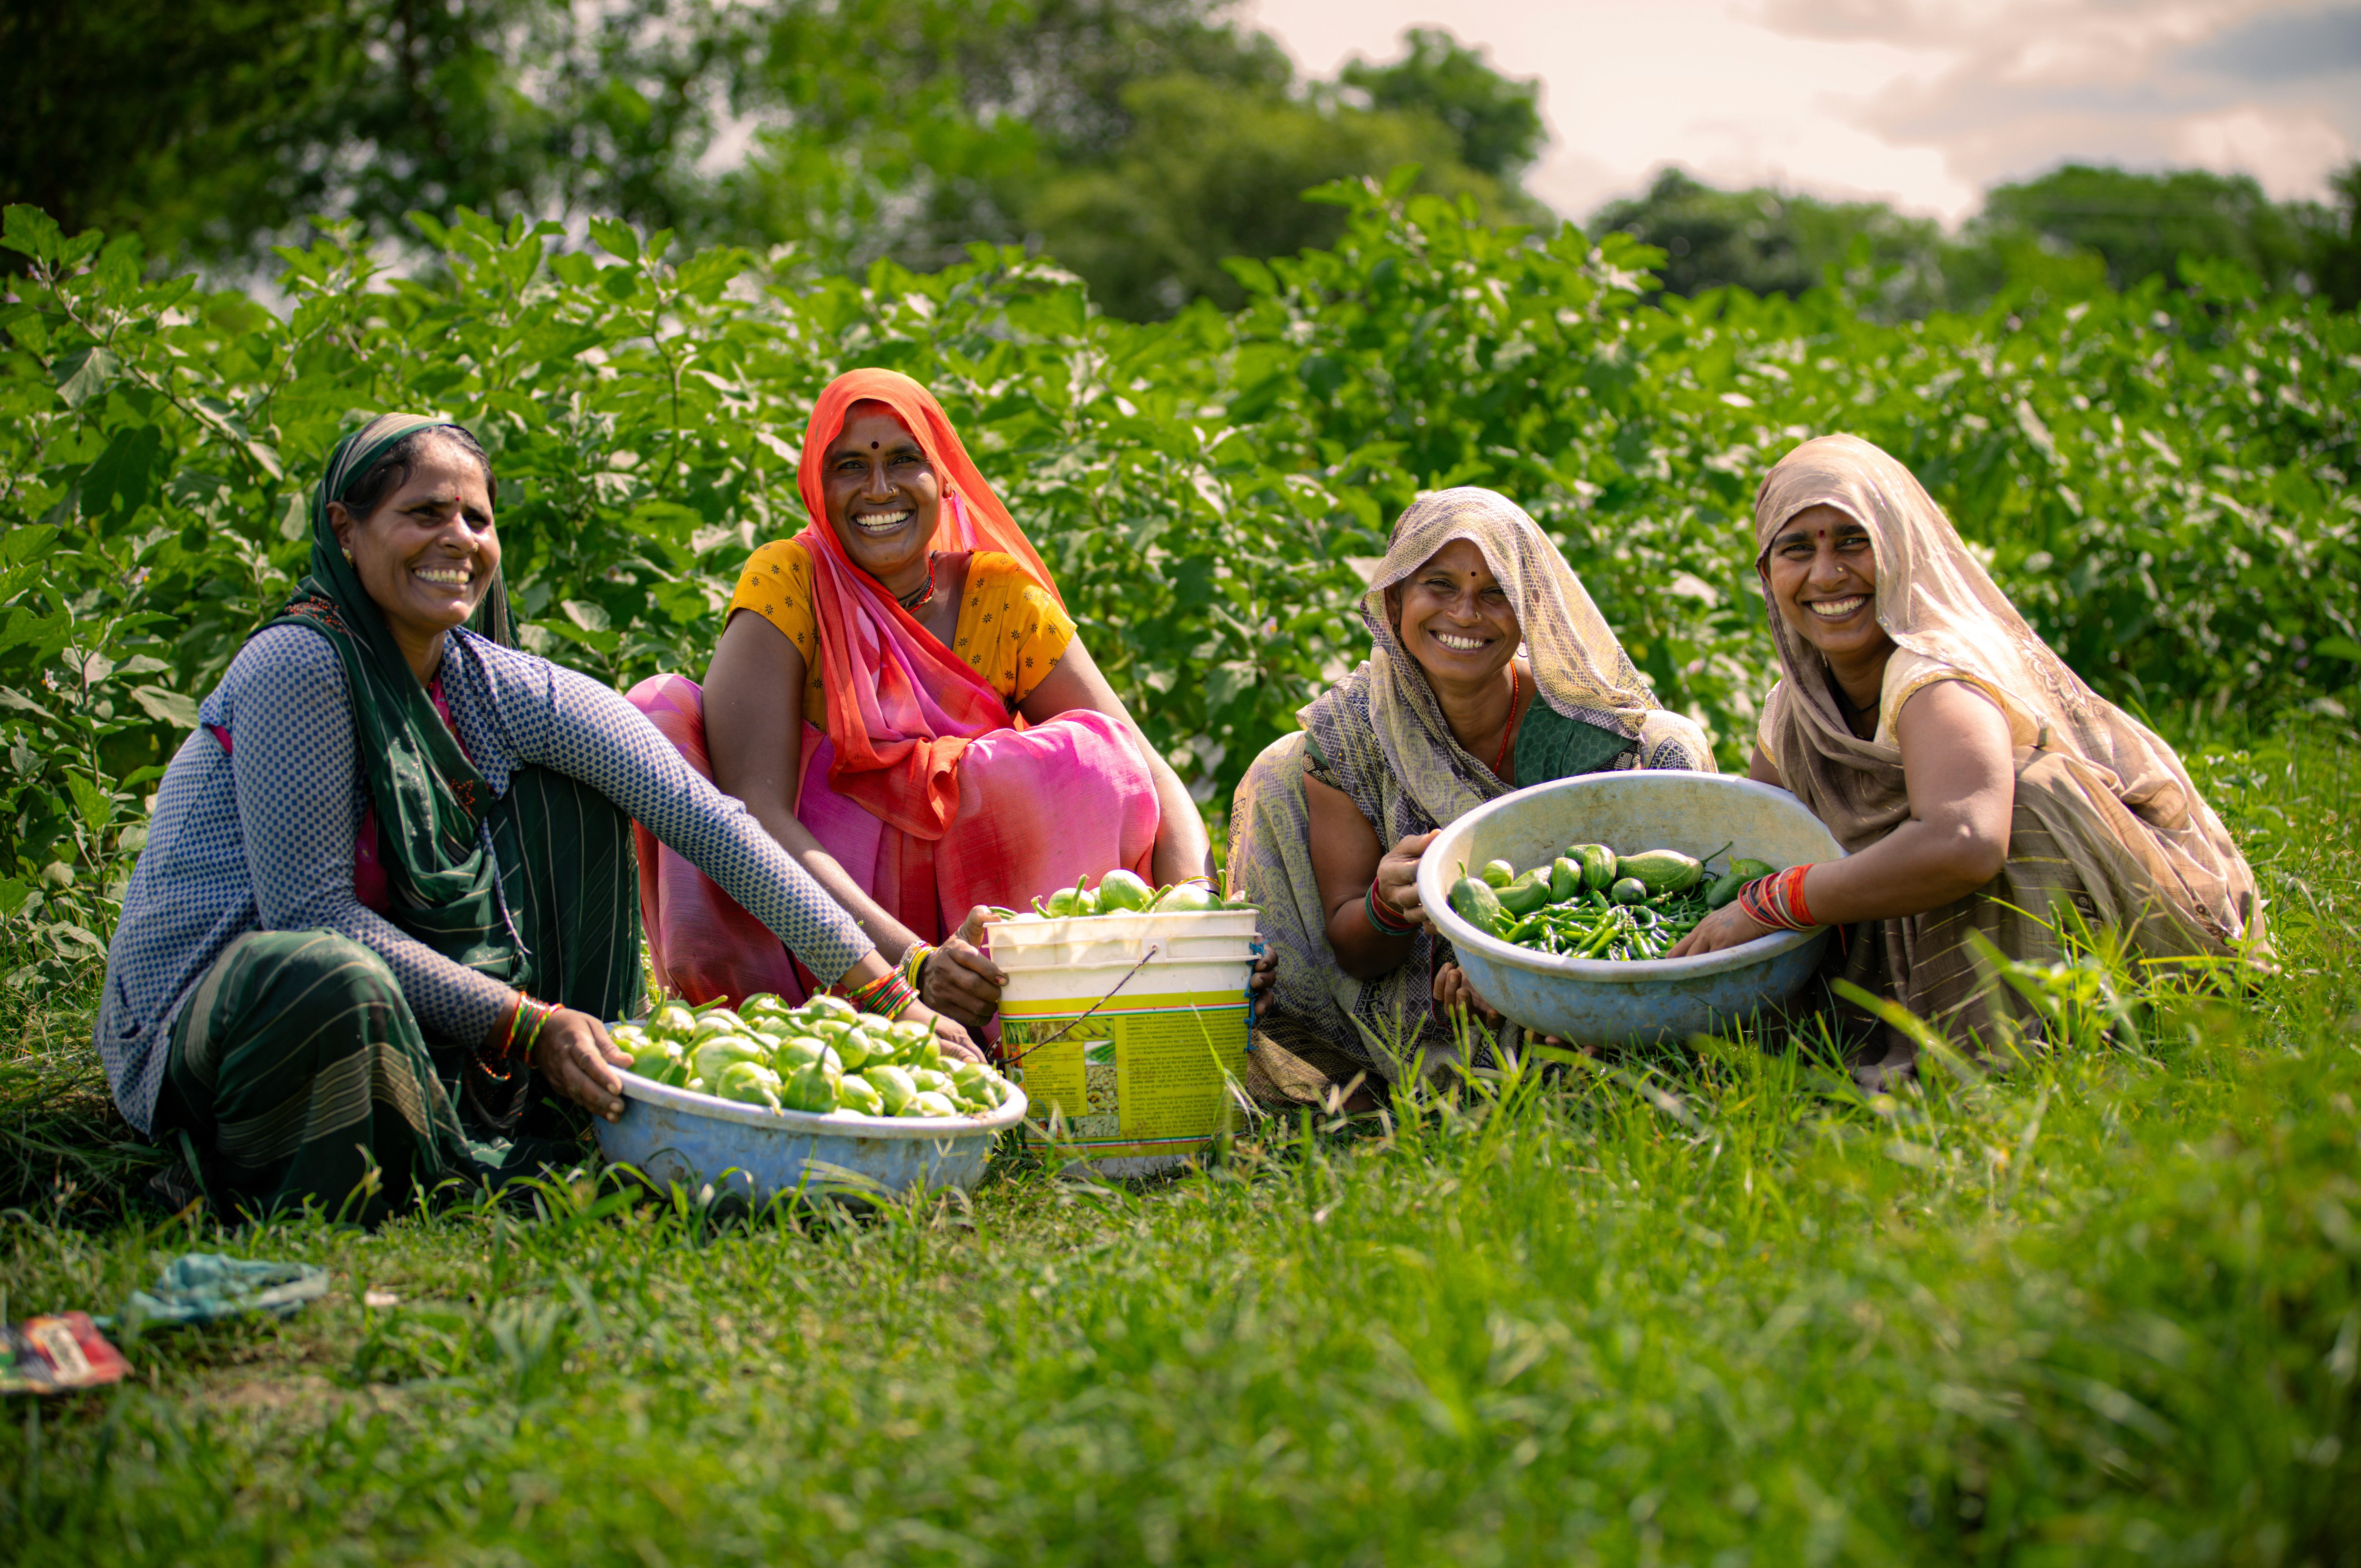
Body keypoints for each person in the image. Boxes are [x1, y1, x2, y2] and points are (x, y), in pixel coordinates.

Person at [98, 413, 974, 1224]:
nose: (458, 541)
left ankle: (555, 1100)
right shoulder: (300, 665)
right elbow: (312, 915)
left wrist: (889, 994)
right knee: (331, 973)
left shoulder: (487, 681)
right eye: (424, 513)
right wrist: (528, 1022)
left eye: (477, 520)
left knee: (580, 795)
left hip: (404, 1005)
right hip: (233, 1022)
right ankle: (232, 1165)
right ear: (344, 530)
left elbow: (706, 819)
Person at [628, 369, 1210, 1034]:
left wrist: (1197, 911)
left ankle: (1044, 1010)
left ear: (943, 478)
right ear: (820, 486)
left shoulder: (998, 599)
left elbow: (1144, 763)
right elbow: (753, 812)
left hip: (985, 945)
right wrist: (908, 968)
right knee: (660, 717)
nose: (880, 490)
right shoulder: (790, 583)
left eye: (905, 460)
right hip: (812, 936)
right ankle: (794, 1015)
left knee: (1090, 753)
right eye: (851, 465)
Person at [1670, 434, 2265, 1083]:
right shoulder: (1797, 707)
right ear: (1768, 575)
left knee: (2030, 797)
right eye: (1796, 549)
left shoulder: (1936, 678)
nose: (1827, 574)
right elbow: (1764, 843)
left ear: (1900, 550)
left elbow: (1966, 843)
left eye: (1851, 541)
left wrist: (1780, 899)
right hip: (1917, 931)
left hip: (2118, 924)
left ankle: (2022, 1051)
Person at [1229, 487, 1716, 1099]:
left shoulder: (1583, 724)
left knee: (1675, 740)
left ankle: (1646, 1049)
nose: (1465, 614)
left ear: (1529, 612)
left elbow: (1610, 889)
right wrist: (1388, 903)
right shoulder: (1354, 734)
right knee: (1277, 768)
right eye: (1439, 585)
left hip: (1585, 958)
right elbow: (1354, 948)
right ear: (1396, 596)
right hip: (1417, 995)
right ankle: (1365, 1092)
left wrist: (1508, 964)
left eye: (1495, 593)